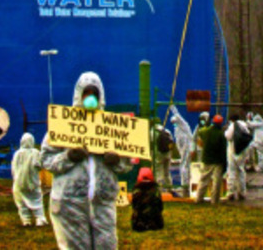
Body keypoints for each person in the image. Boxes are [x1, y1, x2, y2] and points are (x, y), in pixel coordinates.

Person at [41, 71, 132, 250]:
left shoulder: (110, 126)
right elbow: (45, 158)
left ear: (101, 96)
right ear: (79, 95)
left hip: (102, 203)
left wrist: (117, 161)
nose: (90, 98)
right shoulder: (63, 124)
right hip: (69, 203)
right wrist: (67, 157)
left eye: (94, 94)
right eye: (86, 93)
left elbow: (127, 163)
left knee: (107, 245)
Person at [11, 132, 48, 227]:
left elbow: (13, 168)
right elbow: (40, 165)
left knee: (21, 202)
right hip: (33, 182)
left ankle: (26, 220)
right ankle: (40, 219)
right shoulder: (35, 153)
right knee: (37, 200)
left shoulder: (17, 154)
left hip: (19, 183)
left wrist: (16, 178)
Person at [195, 114, 227, 205]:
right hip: (217, 161)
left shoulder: (205, 131)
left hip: (206, 159)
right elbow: (223, 150)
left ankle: (198, 198)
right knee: (216, 182)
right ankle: (214, 201)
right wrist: (225, 164)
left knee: (203, 180)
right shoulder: (221, 134)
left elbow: (200, 132)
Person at [224, 114, 252, 201]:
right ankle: (242, 192)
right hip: (243, 150)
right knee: (241, 170)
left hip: (233, 150)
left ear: (231, 120)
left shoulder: (232, 125)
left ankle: (231, 192)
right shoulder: (244, 126)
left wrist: (226, 131)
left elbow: (228, 136)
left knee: (231, 171)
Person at [131, 166, 164, 232]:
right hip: (156, 220)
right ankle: (152, 222)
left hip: (139, 220)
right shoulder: (155, 190)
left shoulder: (136, 190)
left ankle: (142, 223)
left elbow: (134, 205)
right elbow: (160, 206)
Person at [170, 105, 192, 196]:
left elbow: (178, 115)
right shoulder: (177, 130)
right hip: (183, 151)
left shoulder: (184, 126)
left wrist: (173, 108)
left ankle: (185, 186)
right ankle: (185, 186)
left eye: (175, 122)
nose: (174, 124)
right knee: (184, 167)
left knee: (184, 168)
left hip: (187, 149)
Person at [150, 119, 173, 190]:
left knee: (158, 173)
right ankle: (170, 189)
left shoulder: (152, 132)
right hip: (168, 154)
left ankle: (158, 191)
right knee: (167, 173)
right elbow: (171, 144)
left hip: (158, 155)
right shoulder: (167, 131)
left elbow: (151, 144)